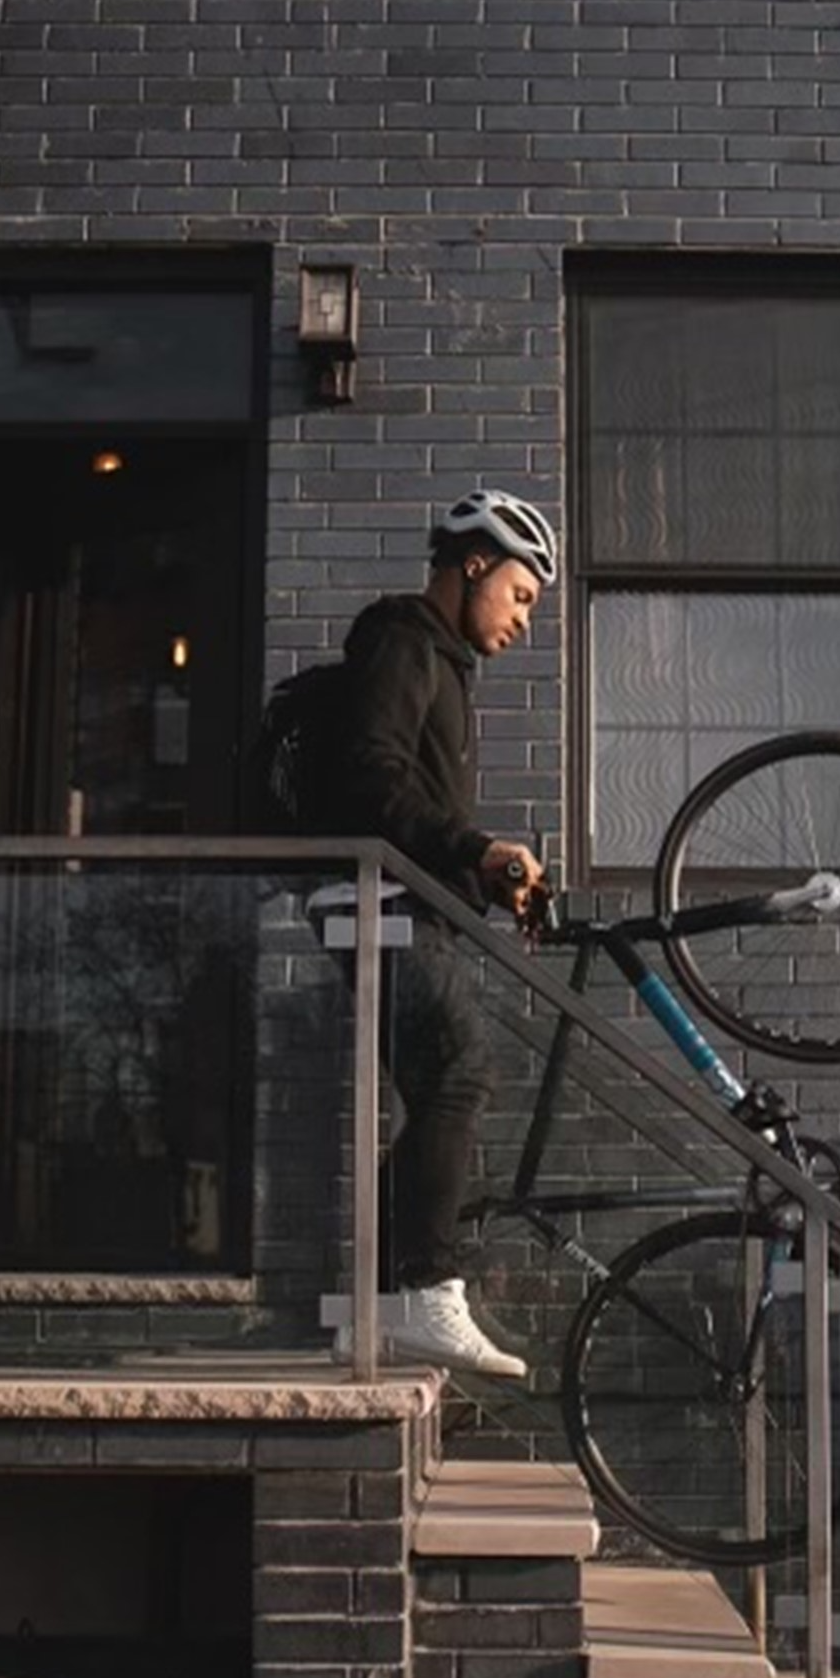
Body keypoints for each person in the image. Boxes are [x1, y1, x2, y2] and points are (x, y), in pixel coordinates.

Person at [313, 487, 557, 1379]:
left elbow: (415, 810)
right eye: (522, 596)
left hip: (400, 903)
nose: (525, 621)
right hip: (372, 902)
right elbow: (368, 780)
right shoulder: (403, 640)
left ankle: (382, 1310)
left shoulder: (439, 662)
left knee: (439, 1091)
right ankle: (421, 1292)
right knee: (460, 1072)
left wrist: (488, 878)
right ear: (475, 565)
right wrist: (477, 847)